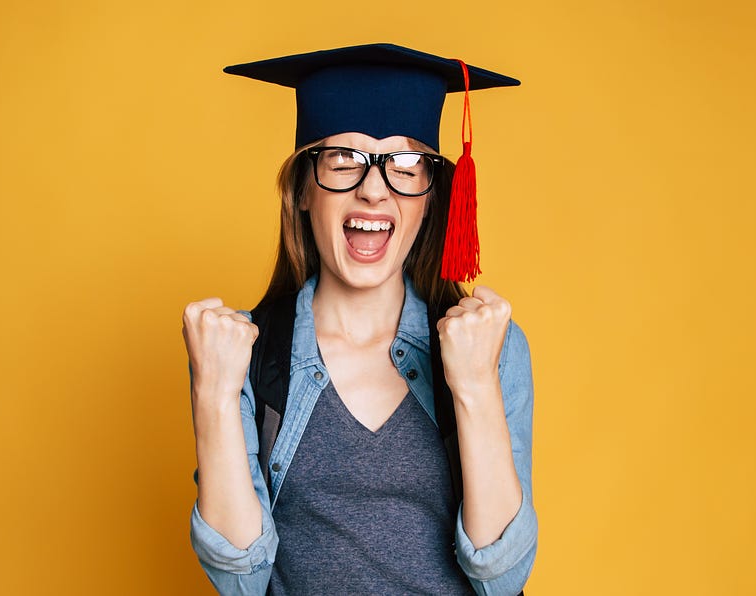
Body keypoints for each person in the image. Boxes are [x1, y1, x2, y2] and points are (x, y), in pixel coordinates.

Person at [180, 43, 537, 595]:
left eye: (406, 164)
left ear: (431, 195)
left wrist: (473, 386)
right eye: (343, 159)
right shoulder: (245, 353)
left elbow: (504, 576)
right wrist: (212, 393)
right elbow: (240, 579)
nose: (374, 189)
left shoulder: (492, 348)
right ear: (302, 188)